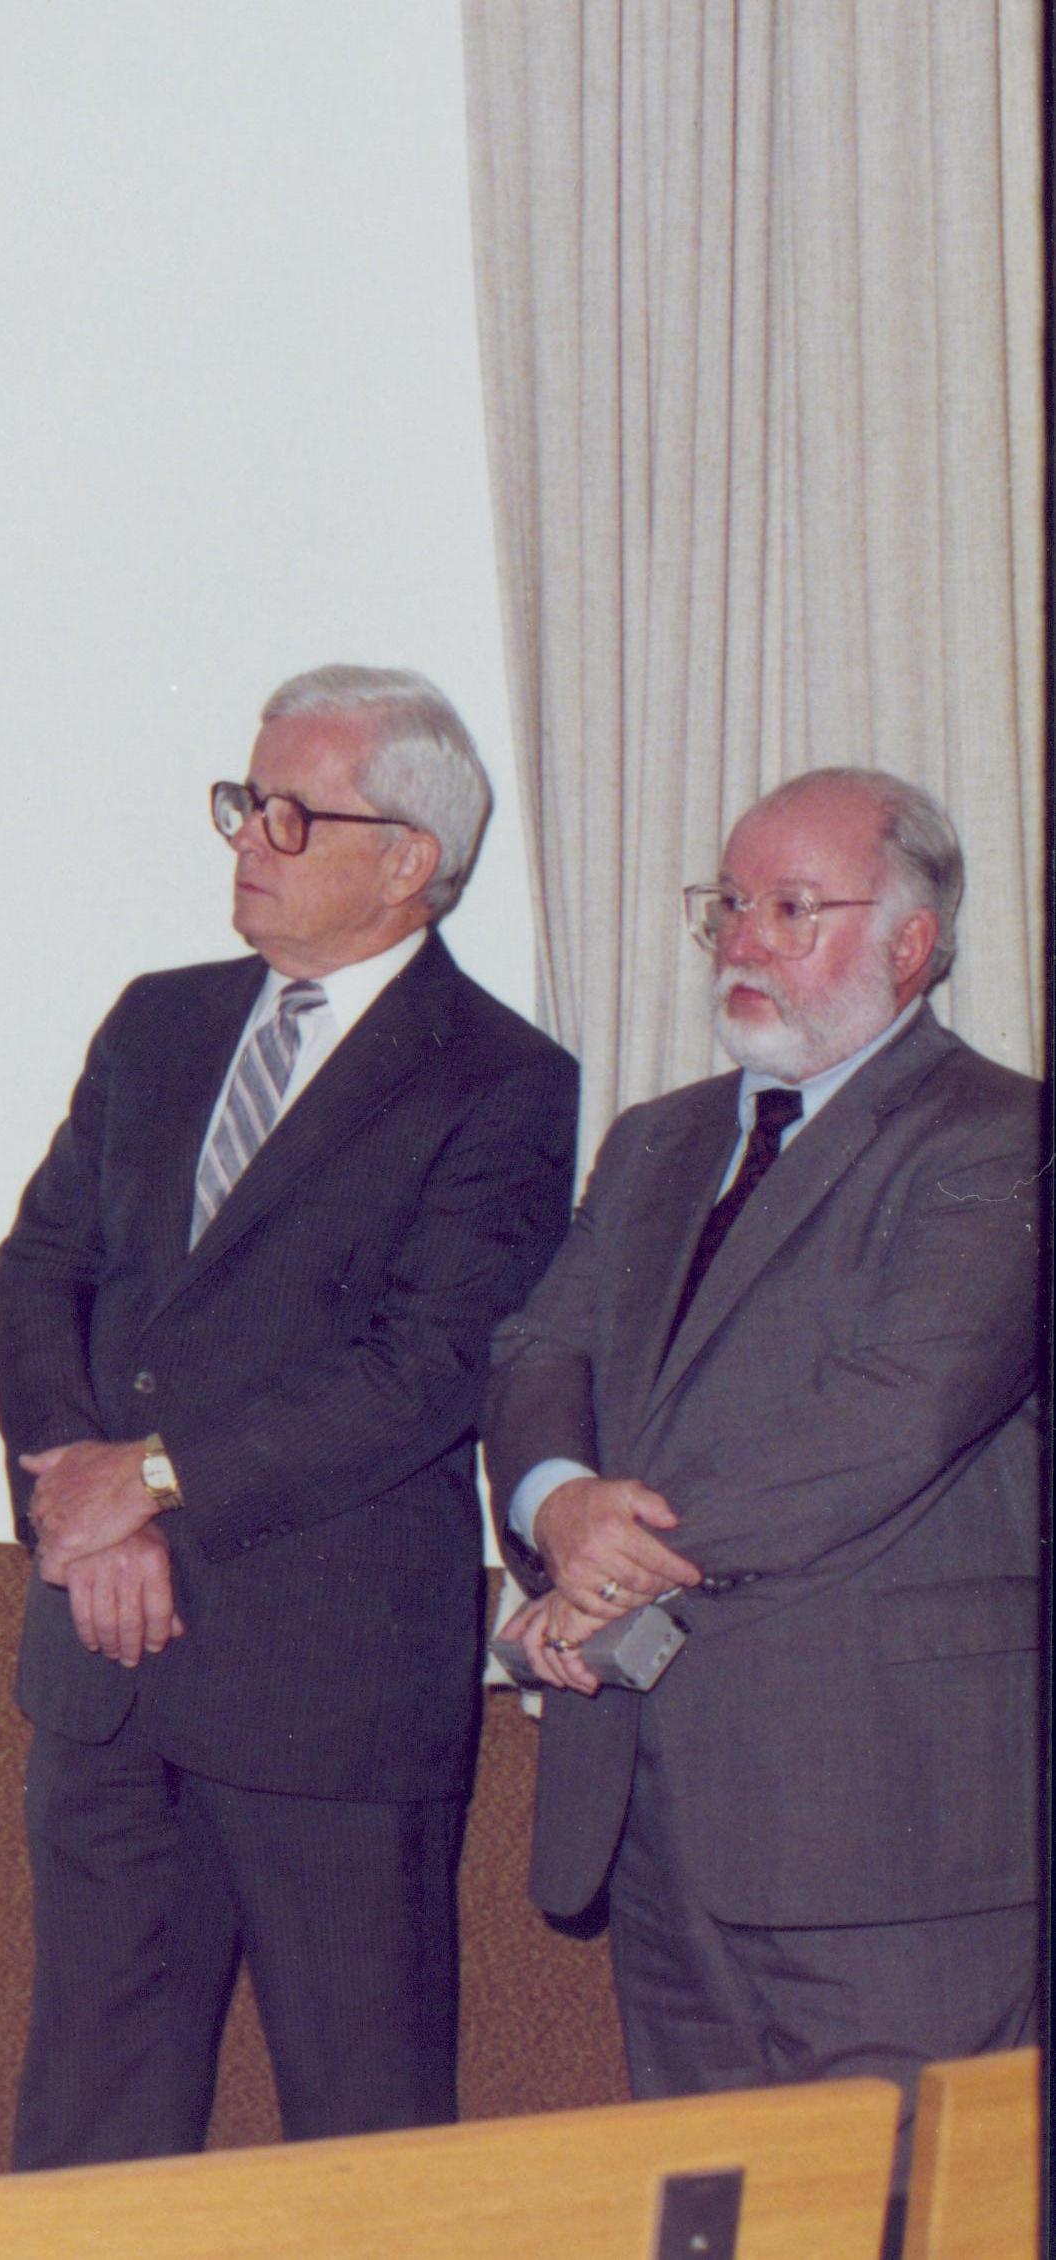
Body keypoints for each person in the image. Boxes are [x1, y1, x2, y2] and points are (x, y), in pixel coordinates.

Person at [0, 664, 576, 2166]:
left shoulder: (500, 1081)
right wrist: (75, 1496)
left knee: (360, 2132)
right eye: (246, 801)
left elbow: (423, 1368)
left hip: (328, 1696)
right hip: (106, 1670)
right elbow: (41, 1267)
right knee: (85, 2128)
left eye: (293, 814)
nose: (249, 836)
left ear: (409, 863)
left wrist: (158, 1485)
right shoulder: (158, 1023)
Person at [489, 768, 1042, 2143]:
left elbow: (892, 1411)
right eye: (728, 905)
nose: (741, 942)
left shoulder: (1001, 1138)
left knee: (913, 2211)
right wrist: (557, 1509)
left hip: (892, 1821)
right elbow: (533, 1352)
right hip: (664, 1807)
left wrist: (604, 1570)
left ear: (909, 946)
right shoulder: (653, 1143)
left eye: (791, 909)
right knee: (713, 2205)